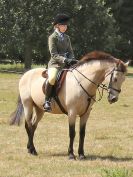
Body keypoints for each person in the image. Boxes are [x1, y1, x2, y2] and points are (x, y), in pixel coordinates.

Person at [43, 13, 77, 112]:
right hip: (55, 64)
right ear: (57, 25)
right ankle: (47, 101)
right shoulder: (52, 37)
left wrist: (72, 60)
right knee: (52, 78)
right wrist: (65, 60)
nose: (65, 27)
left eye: (66, 25)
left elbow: (70, 52)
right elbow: (54, 54)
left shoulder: (67, 38)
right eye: (63, 25)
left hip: (66, 64)